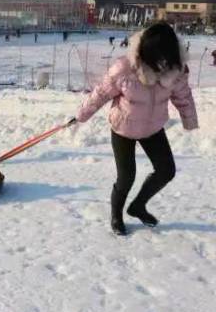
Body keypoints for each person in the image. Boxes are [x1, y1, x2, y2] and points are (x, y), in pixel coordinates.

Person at [74, 22, 198, 236]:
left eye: (167, 58)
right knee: (126, 177)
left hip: (153, 127)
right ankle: (116, 214)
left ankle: (138, 206)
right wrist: (81, 115)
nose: (163, 64)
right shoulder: (124, 68)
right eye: (158, 58)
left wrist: (189, 121)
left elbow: (183, 97)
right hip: (123, 128)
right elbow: (101, 93)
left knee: (166, 170)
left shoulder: (175, 71)